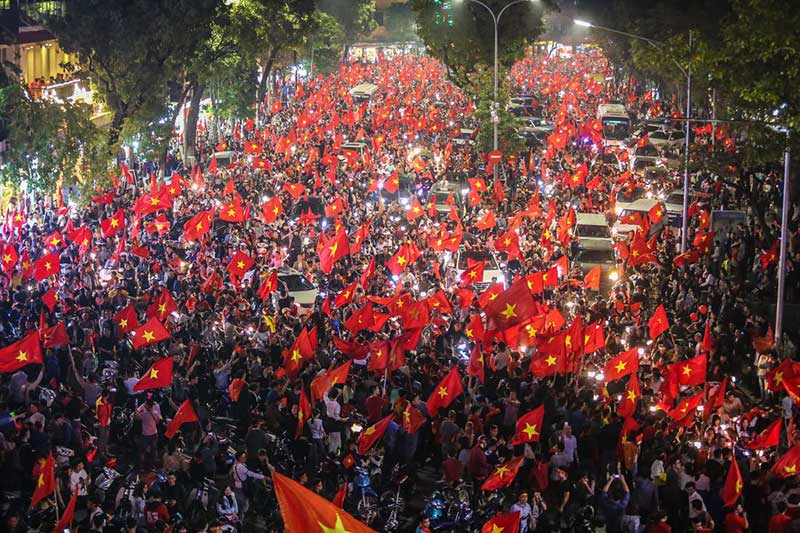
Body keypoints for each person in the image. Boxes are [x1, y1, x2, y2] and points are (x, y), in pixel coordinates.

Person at [231, 451, 266, 515]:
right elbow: (250, 474)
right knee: (242, 504)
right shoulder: (241, 467)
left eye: (245, 457)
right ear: (239, 458)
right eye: (243, 457)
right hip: (241, 487)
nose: (245, 459)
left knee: (240, 503)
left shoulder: (236, 465)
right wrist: (263, 477)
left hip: (237, 486)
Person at [135, 394, 162, 471]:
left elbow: (136, 417)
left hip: (148, 434)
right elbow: (158, 420)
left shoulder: (145, 413)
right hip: (151, 434)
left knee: (145, 451)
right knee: (150, 451)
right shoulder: (152, 411)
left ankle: (144, 466)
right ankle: (148, 466)